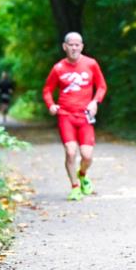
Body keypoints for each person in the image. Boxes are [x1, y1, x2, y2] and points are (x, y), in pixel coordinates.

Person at [42, 32, 108, 201]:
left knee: (87, 156)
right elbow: (47, 90)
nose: (74, 47)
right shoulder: (58, 68)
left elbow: (101, 86)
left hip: (85, 116)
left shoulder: (91, 64)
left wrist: (95, 102)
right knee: (71, 152)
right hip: (65, 115)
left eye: (77, 44)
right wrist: (51, 105)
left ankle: (82, 174)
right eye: (71, 44)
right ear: (64, 47)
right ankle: (75, 187)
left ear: (82, 47)